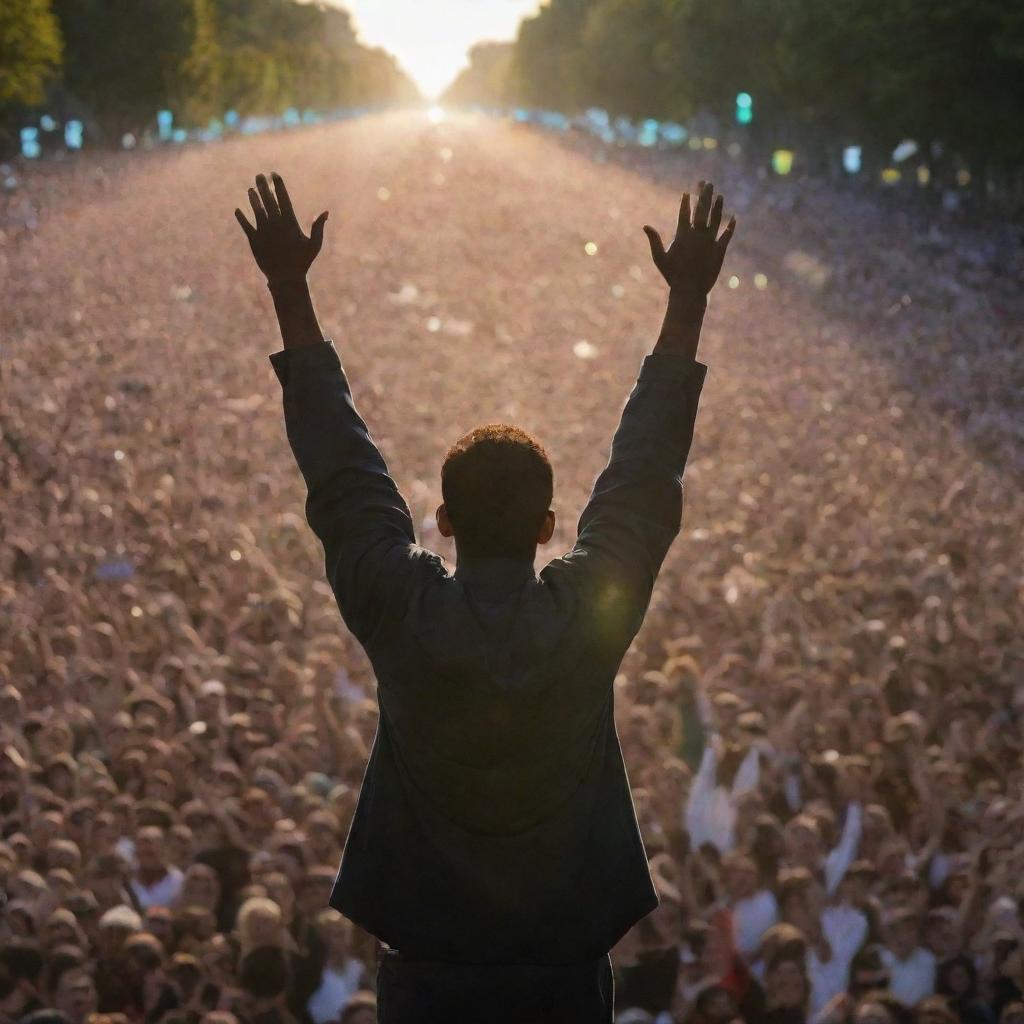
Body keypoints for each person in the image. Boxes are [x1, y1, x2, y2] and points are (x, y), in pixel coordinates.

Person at [234, 172, 736, 1022]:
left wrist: (291, 287)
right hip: (563, 986)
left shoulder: (404, 611)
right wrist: (686, 302)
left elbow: (344, 473)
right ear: (548, 525)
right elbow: (644, 478)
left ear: (442, 521)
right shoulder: (584, 620)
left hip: (427, 985)